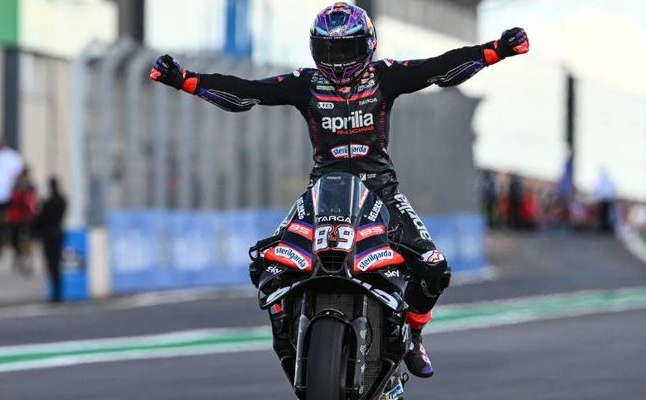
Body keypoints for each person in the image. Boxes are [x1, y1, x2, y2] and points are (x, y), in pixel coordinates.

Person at [150, 2, 529, 378]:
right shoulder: (305, 83)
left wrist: (496, 49)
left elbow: (438, 69)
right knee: (265, 262)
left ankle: (414, 335)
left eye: (347, 49)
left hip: (381, 190)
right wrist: (185, 79)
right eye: (330, 50)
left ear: (368, 46)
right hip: (323, 192)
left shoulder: (385, 77)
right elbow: (247, 93)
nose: (339, 61)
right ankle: (286, 332)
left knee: (434, 266)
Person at [34, 177, 67, 303]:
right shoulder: (61, 201)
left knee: (52, 265)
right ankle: (58, 292)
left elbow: (40, 220)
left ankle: (56, 293)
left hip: (49, 236)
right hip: (57, 235)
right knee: (56, 265)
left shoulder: (48, 203)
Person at [6, 168, 37, 276]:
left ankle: (27, 261)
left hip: (25, 218)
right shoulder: (18, 186)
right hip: (18, 218)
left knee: (26, 240)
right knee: (17, 240)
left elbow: (30, 203)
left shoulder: (28, 187)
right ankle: (21, 258)